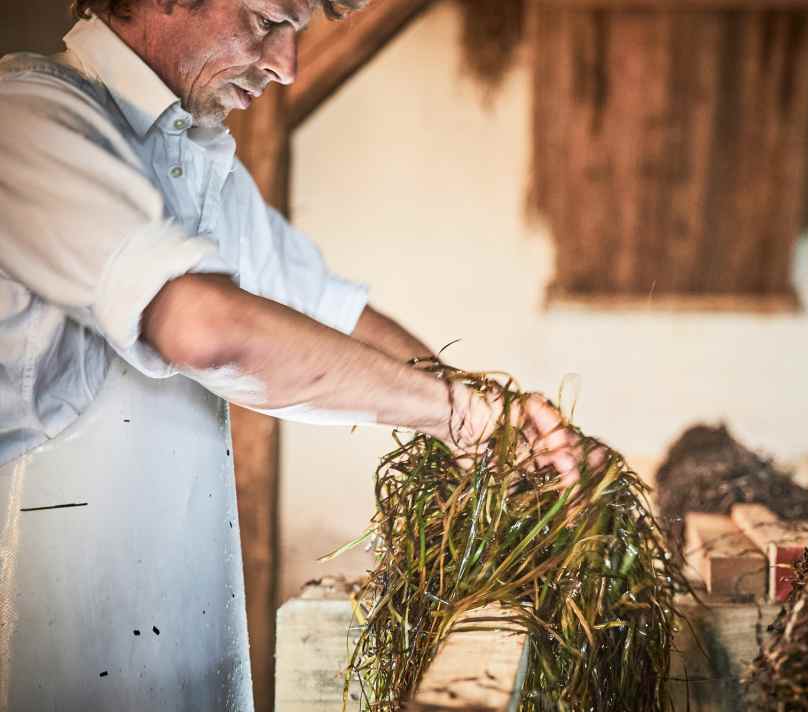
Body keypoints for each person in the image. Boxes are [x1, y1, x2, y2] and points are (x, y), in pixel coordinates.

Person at [0, 1, 582, 709]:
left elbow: (331, 312)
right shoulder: (27, 120)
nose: (287, 64)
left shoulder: (196, 158)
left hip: (178, 662)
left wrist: (492, 432)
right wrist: (460, 414)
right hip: (38, 664)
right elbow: (202, 327)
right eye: (266, 19)